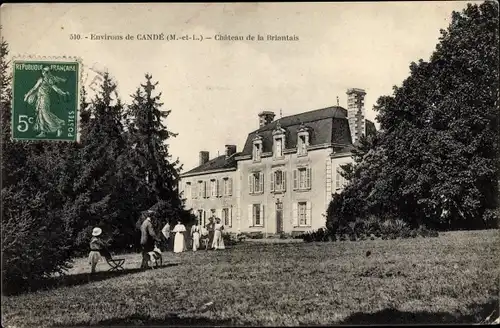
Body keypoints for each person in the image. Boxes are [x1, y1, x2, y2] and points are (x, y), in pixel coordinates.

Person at [23, 66, 70, 138]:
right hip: (40, 98)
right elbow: (34, 88)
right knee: (40, 114)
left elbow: (56, 89)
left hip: (44, 98)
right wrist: (27, 96)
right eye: (44, 71)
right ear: (42, 72)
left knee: (45, 114)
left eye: (46, 72)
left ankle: (58, 127)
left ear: (48, 73)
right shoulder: (41, 80)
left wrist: (63, 93)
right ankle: (43, 132)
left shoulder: (49, 80)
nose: (44, 73)